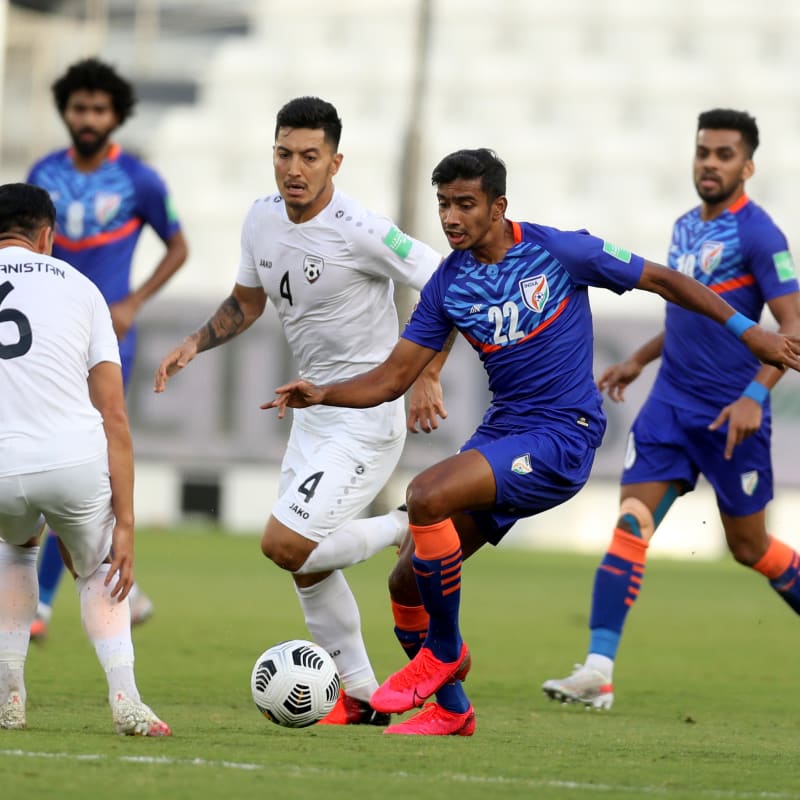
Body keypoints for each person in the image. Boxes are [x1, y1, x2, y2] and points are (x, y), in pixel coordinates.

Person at [264, 147, 800, 736]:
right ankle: (452, 709)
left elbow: (664, 280)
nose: (450, 219)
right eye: (443, 205)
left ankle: (443, 654)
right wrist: (324, 393)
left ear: (498, 207)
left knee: (425, 495)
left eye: (465, 205)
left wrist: (752, 335)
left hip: (564, 434)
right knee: (406, 579)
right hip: (506, 433)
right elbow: (393, 378)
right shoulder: (449, 282)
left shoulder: (560, 250)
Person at [154, 96, 444, 726]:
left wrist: (427, 371)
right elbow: (246, 303)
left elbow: (446, 278)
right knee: (306, 570)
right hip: (313, 413)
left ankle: (403, 525)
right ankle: (364, 695)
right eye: (284, 153)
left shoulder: (362, 229)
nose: (294, 167)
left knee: (286, 544)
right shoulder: (261, 219)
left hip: (366, 416)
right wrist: (195, 343)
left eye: (309, 156)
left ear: (335, 161)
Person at [541, 109, 800, 710]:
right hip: (669, 408)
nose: (710, 162)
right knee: (631, 524)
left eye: (725, 154)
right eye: (703, 151)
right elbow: (688, 308)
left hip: (729, 417)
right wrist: (639, 358)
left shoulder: (761, 235)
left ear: (748, 165)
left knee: (751, 548)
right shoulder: (685, 224)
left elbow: (791, 330)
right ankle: (597, 672)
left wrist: (754, 396)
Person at [26, 57, 188, 638]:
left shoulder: (140, 180)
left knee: (85, 456)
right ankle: (121, 591)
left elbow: (178, 246)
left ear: (116, 115)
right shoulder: (43, 171)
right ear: (65, 112)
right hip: (45, 335)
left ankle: (40, 601)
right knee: (53, 455)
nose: (88, 118)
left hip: (106, 338)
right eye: (79, 107)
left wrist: (134, 301)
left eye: (98, 108)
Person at [0, 182, 170, 735]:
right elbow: (114, 417)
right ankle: (126, 701)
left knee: (17, 551)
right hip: (72, 461)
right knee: (98, 567)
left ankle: (9, 697)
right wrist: (126, 524)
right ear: (47, 237)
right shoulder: (82, 287)